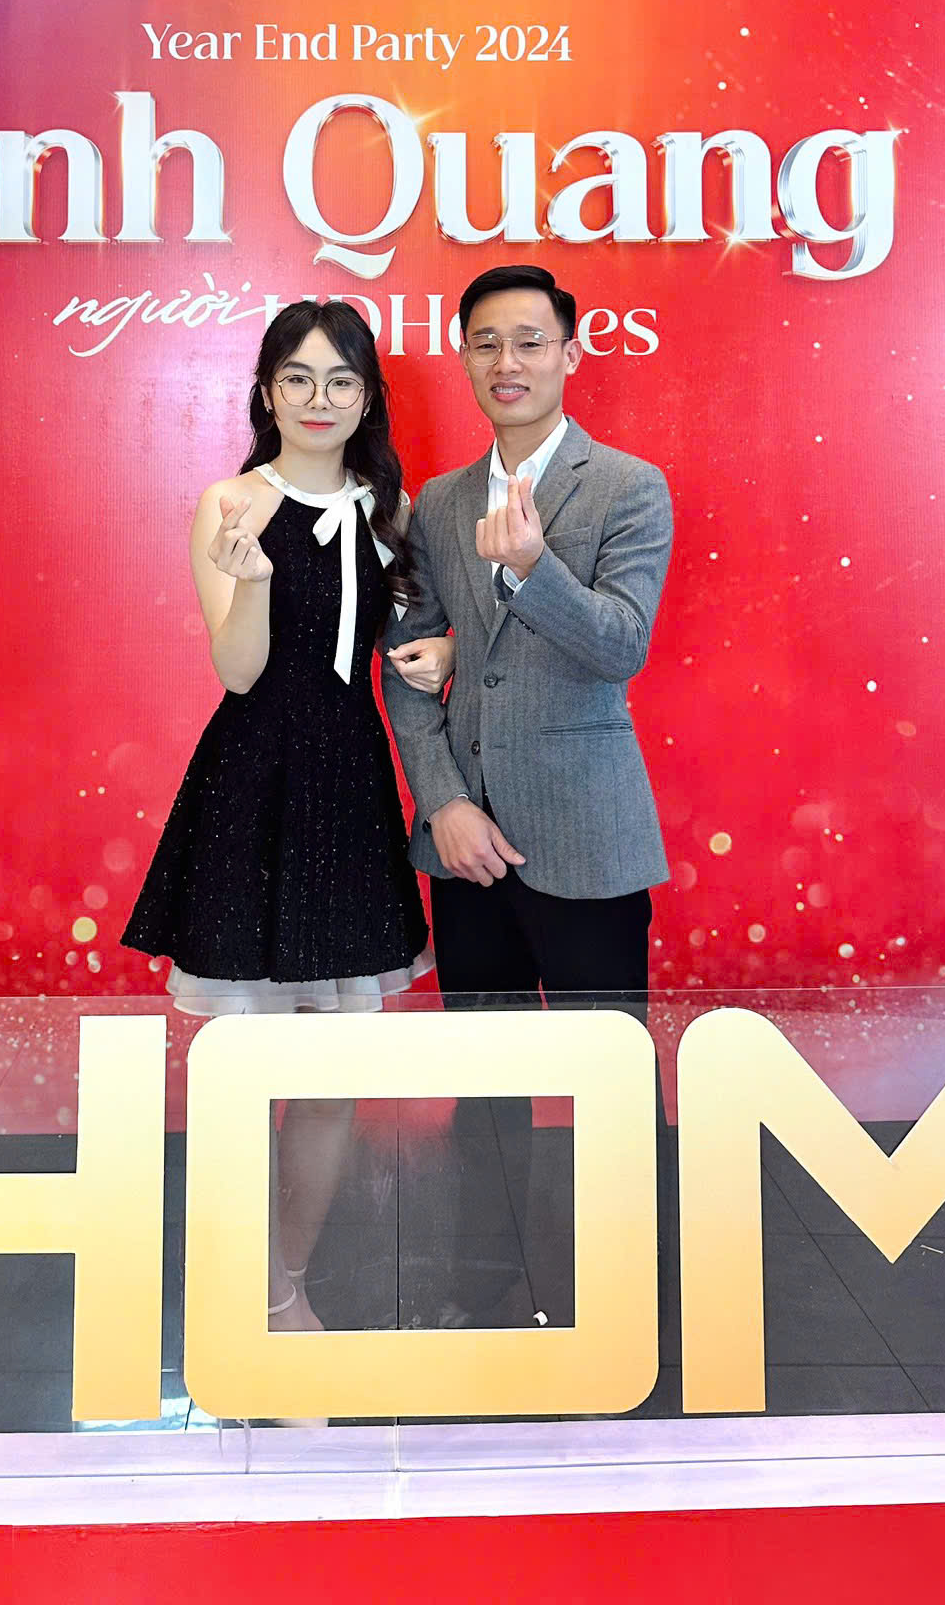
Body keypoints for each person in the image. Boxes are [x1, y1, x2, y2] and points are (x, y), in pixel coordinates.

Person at [123, 299, 450, 1332]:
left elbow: (411, 644)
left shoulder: (391, 512)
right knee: (246, 1067)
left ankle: (286, 1289)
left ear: (368, 398)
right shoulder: (231, 503)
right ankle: (248, 1289)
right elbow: (238, 671)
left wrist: (442, 650)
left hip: (349, 790)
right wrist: (254, 580)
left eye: (341, 380)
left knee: (330, 1074)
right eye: (298, 378)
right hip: (254, 789)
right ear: (266, 391)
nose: (319, 398)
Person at [382, 263, 673, 1316]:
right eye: (487, 343)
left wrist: (532, 569)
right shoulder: (439, 503)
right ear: (465, 357)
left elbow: (621, 645)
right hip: (469, 846)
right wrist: (445, 804)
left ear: (569, 353)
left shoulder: (628, 487)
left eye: (530, 341)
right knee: (488, 1082)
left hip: (588, 836)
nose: (508, 362)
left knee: (611, 1077)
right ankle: (491, 1279)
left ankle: (628, 1287)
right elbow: (406, 667)